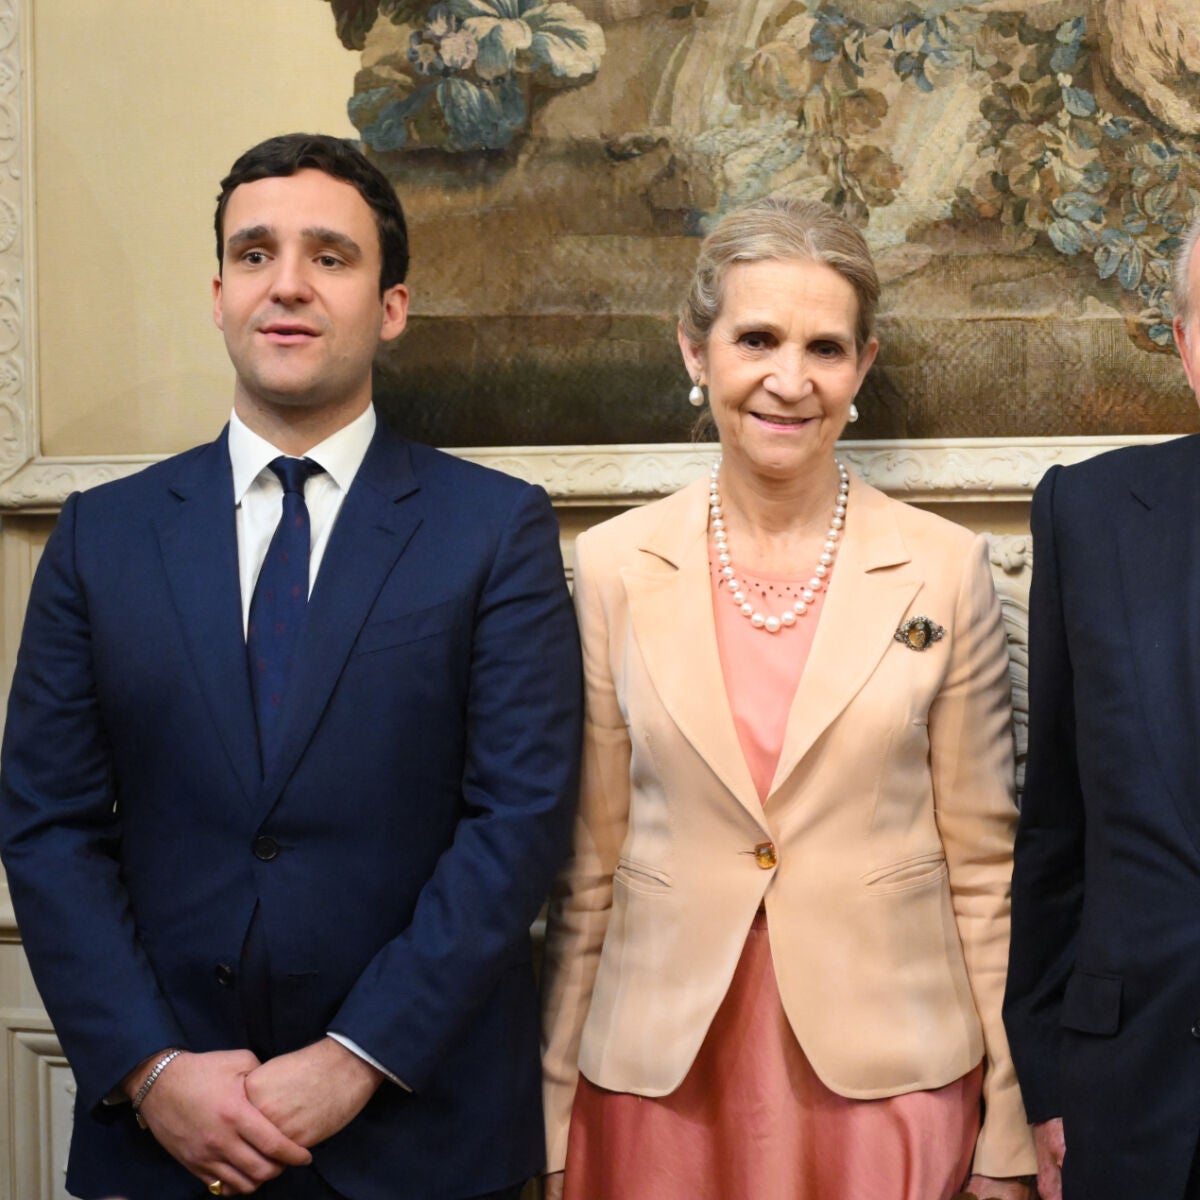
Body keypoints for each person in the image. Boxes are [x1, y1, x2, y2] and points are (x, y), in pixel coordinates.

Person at [0, 133, 582, 1200]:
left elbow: (519, 823)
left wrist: (358, 1056)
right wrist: (151, 1067)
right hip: (164, 1140)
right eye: (256, 254)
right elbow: (46, 827)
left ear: (391, 305)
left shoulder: (493, 530)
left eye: (331, 256)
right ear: (218, 294)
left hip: (420, 1136)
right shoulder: (101, 539)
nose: (290, 285)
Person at [539, 196, 1037, 1200]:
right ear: (696, 350)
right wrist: (553, 1117)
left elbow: (988, 874)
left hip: (889, 1087)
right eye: (756, 338)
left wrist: (1011, 1134)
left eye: (826, 347)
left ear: (863, 366)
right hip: (657, 1089)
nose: (789, 379)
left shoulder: (942, 569)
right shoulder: (613, 567)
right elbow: (585, 873)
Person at [1003, 214, 1200, 1199]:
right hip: (1131, 1097)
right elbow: (1055, 828)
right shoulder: (1088, 512)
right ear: (1182, 341)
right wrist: (1045, 1074)